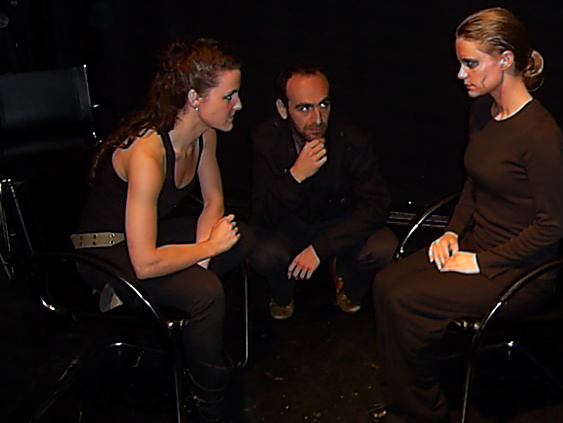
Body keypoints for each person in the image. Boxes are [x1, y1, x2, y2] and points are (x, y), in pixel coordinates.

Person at [372, 8, 563, 422]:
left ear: (506, 59)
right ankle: (405, 395)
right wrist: (452, 233)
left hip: (522, 270)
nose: (461, 74)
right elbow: (474, 185)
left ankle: (420, 413)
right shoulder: (481, 112)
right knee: (386, 281)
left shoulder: (540, 135)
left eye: (471, 64)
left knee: (406, 300)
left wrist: (481, 262)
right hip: (478, 245)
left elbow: (551, 227)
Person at [73, 38, 255, 423]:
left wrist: (203, 254)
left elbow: (214, 202)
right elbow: (144, 261)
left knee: (242, 237)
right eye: (229, 96)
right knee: (205, 294)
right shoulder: (148, 153)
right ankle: (209, 399)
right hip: (104, 251)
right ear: (194, 98)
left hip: (145, 236)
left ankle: (159, 310)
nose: (238, 105)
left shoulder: (204, 134)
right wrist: (206, 250)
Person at [249, 65, 398, 320]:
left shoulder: (352, 139)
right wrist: (295, 177)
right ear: (283, 109)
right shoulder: (266, 139)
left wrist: (322, 247)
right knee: (261, 252)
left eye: (323, 105)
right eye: (304, 108)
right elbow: (261, 215)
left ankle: (348, 282)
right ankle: (283, 292)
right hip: (290, 225)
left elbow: (376, 206)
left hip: (338, 223)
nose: (317, 119)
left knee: (383, 247)